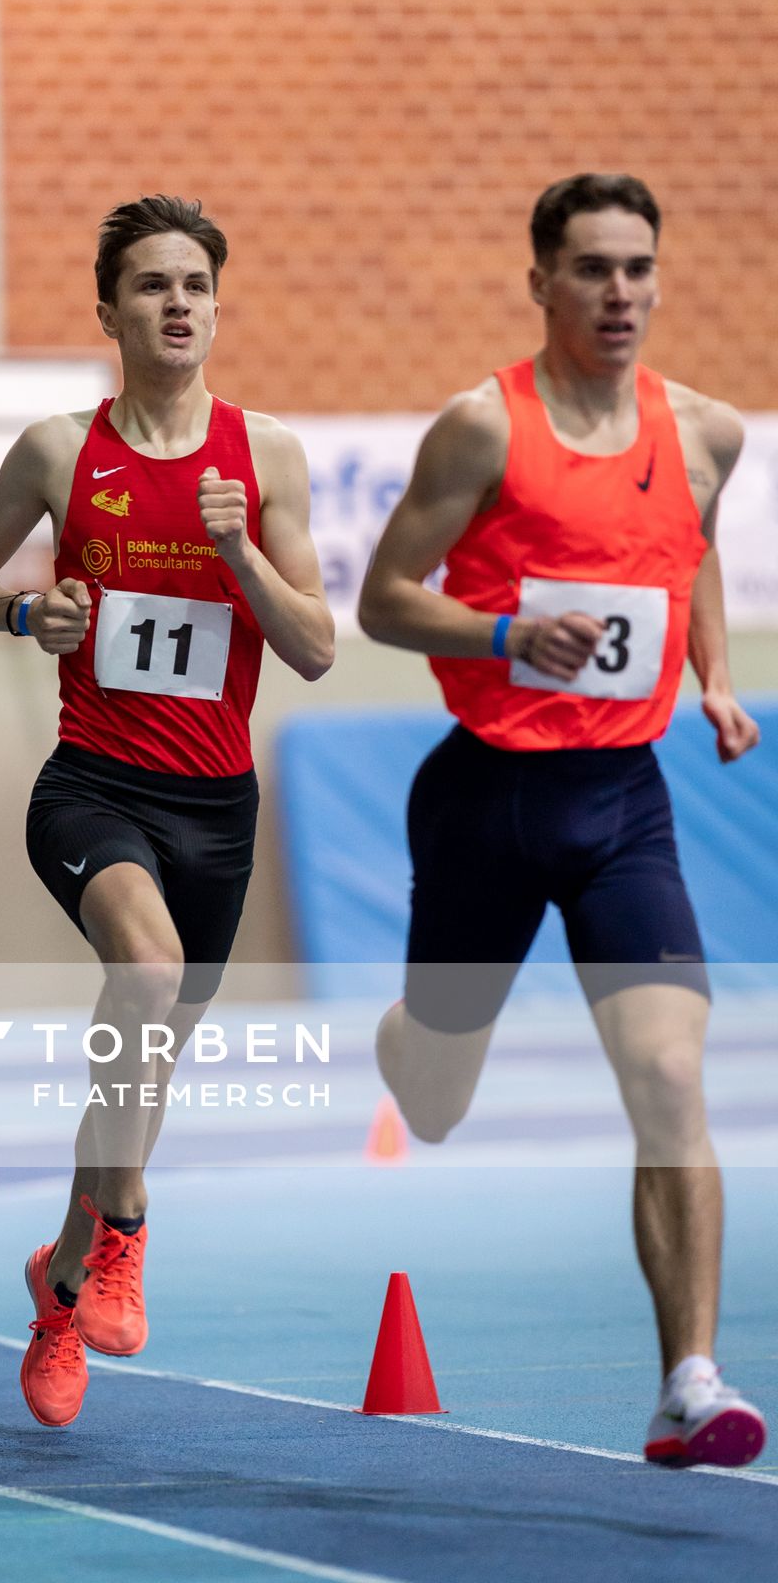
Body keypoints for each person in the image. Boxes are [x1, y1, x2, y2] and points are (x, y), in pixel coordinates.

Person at [357, 172, 766, 1469]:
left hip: (621, 804)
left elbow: (687, 553)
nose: (620, 293)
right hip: (485, 797)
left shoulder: (704, 429)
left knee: (669, 1079)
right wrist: (501, 631)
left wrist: (711, 673)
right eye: (592, 269)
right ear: (540, 281)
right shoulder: (482, 430)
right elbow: (379, 600)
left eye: (638, 267)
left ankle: (688, 1385)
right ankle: (410, 1036)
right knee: (434, 1101)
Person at [0, 194, 334, 1427]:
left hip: (216, 808)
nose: (176, 304)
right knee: (146, 979)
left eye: (194, 286)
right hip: (93, 789)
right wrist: (17, 613)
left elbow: (315, 648)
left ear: (216, 308)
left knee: (142, 1053)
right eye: (151, 285)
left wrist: (241, 557)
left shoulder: (263, 459)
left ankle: (62, 1277)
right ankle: (127, 1233)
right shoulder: (60, 452)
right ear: (107, 309)